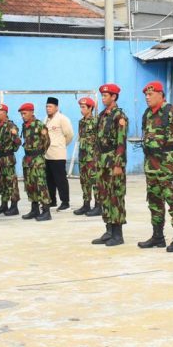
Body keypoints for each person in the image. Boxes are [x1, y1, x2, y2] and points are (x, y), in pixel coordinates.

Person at [138, 81, 173, 252]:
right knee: (154, 200)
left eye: (150, 94)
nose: (147, 97)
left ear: (160, 95)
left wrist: (172, 154)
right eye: (145, 95)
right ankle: (158, 236)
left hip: (166, 165)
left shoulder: (171, 113)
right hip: (151, 164)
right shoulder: (147, 113)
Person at [91, 84, 128, 246]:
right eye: (103, 95)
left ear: (114, 97)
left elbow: (121, 142)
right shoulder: (102, 115)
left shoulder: (119, 116)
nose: (103, 98)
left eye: (106, 95)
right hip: (101, 160)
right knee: (103, 194)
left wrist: (118, 164)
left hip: (113, 159)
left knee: (115, 196)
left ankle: (118, 234)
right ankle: (108, 230)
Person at [19, 103, 52, 221]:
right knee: (30, 185)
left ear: (32, 112)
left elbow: (47, 142)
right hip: (27, 159)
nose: (23, 116)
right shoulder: (25, 126)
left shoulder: (39, 125)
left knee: (41, 185)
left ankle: (46, 211)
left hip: (37, 159)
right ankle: (34, 209)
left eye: (25, 113)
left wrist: (39, 153)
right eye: (22, 114)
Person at [0, 103, 22, 216]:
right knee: (2, 183)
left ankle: (14, 207)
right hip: (0, 159)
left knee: (11, 182)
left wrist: (10, 150)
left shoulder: (11, 126)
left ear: (4, 113)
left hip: (8, 158)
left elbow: (17, 142)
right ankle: (4, 205)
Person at [44, 97, 75, 211]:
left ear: (56, 107)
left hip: (58, 154)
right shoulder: (46, 119)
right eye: (47, 106)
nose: (48, 109)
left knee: (60, 179)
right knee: (49, 179)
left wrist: (61, 145)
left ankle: (65, 202)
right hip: (47, 155)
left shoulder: (62, 119)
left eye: (50, 106)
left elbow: (69, 135)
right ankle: (52, 201)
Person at [74, 97, 101, 216]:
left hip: (92, 156)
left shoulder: (96, 122)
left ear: (90, 108)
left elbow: (99, 139)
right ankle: (86, 204)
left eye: (84, 107)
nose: (81, 109)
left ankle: (98, 205)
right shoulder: (81, 122)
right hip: (83, 156)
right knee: (84, 181)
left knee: (94, 180)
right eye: (80, 107)